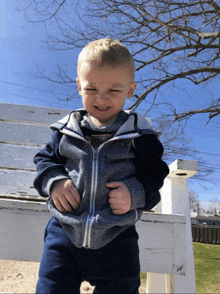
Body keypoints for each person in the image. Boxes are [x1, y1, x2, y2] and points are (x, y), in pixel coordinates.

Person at [33, 38, 169, 294]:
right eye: (91, 89)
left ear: (131, 90)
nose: (102, 99)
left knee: (122, 288)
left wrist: (134, 192)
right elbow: (45, 160)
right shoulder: (65, 131)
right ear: (79, 86)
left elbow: (155, 174)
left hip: (117, 237)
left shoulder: (141, 136)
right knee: (51, 288)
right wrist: (55, 181)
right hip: (65, 233)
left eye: (114, 91)